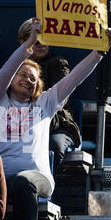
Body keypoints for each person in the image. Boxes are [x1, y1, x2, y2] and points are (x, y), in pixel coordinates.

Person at [0, 18, 111, 220]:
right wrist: (29, 44)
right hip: (0, 178)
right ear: (12, 78)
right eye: (22, 74)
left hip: (37, 179)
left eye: (33, 77)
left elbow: (74, 79)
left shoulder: (44, 104)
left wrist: (99, 52)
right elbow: (4, 71)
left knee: (25, 182)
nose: (28, 79)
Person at [18, 19, 81, 171]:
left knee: (53, 146)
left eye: (44, 38)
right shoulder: (16, 65)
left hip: (56, 124)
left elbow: (61, 98)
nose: (40, 43)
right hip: (22, 123)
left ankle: (44, 190)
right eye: (35, 38)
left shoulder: (58, 63)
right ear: (23, 41)